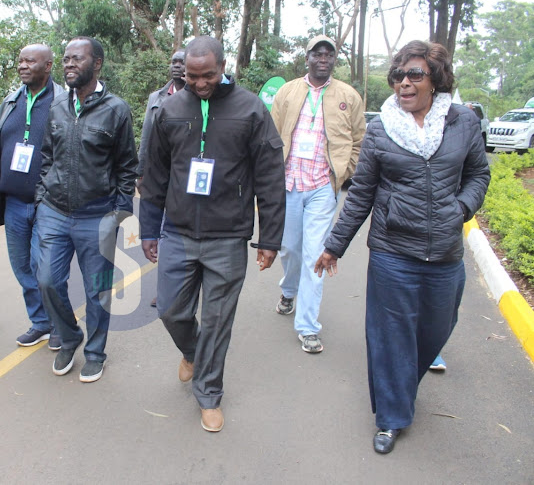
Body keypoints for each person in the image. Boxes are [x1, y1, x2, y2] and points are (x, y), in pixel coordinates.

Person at [314, 40, 490, 454]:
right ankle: (391, 416)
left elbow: (479, 174)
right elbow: (361, 195)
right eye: (398, 76)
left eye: (415, 75)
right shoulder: (380, 129)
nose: (404, 84)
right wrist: (334, 246)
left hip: (445, 254)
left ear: (436, 80)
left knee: (435, 330)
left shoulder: (461, 122)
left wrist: (460, 208)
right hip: (393, 253)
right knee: (391, 336)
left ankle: (400, 384)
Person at [139, 36, 286, 432]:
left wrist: (269, 238)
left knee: (218, 319)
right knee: (170, 309)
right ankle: (192, 351)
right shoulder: (168, 109)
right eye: (192, 76)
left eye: (208, 75)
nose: (200, 83)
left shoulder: (250, 109)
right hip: (178, 231)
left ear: (224, 68)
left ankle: (208, 394)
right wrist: (149, 229)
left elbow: (271, 176)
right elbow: (152, 174)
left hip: (228, 235)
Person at [35, 37, 138, 383]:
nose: (69, 64)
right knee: (47, 280)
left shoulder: (116, 109)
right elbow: (47, 156)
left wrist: (119, 214)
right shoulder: (57, 107)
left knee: (98, 290)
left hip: (97, 215)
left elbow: (127, 167)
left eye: (77, 59)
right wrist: (40, 199)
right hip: (54, 211)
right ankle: (69, 337)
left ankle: (95, 352)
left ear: (97, 64)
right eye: (65, 59)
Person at [270, 34, 365, 354]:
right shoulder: (288, 91)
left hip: (323, 188)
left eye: (328, 54)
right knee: (289, 248)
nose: (323, 58)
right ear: (307, 57)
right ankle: (289, 290)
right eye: (317, 53)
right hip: (289, 184)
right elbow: (272, 134)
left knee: (315, 255)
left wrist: (344, 172)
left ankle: (308, 327)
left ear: (333, 59)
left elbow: (359, 141)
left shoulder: (348, 96)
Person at [0, 44, 64, 349]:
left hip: (49, 204)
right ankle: (40, 322)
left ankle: (60, 324)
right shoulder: (11, 101)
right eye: (21, 61)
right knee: (23, 268)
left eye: (31, 61)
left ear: (49, 65)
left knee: (48, 272)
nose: (23, 66)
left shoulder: (63, 102)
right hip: (14, 203)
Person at [137, 49, 186, 308]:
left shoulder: (199, 96)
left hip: (185, 178)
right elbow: (146, 136)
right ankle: (165, 289)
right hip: (158, 177)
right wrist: (141, 172)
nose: (177, 66)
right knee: (162, 233)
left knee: (178, 233)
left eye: (182, 62)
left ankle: (184, 287)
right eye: (174, 62)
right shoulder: (156, 98)